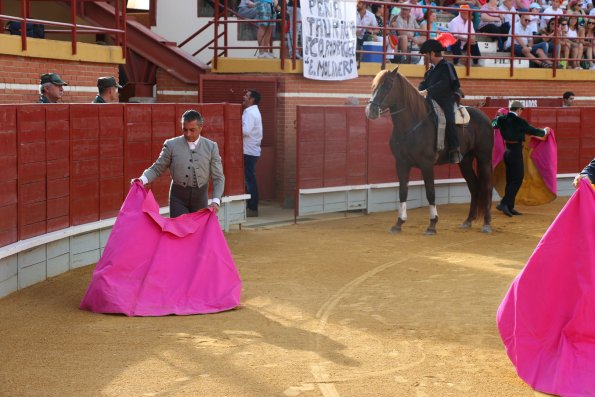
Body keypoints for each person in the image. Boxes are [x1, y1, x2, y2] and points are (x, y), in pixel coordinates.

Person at [135, 109, 224, 217]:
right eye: (185, 129)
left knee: (198, 232)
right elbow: (157, 168)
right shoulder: (171, 145)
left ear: (201, 128)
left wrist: (216, 201)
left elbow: (218, 177)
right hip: (178, 198)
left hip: (200, 198)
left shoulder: (211, 147)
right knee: (179, 231)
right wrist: (141, 180)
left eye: (192, 130)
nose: (188, 134)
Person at [492, 100, 551, 217]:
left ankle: (509, 206)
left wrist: (497, 118)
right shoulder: (520, 121)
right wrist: (545, 131)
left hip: (507, 152)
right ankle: (504, 203)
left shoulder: (502, 120)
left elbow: (493, 124)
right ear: (519, 110)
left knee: (510, 180)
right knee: (518, 179)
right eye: (521, 111)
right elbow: (535, 132)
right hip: (515, 153)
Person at [418, 39, 463, 164]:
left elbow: (444, 83)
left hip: (445, 100)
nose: (426, 57)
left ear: (432, 53)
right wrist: (418, 91)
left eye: (426, 54)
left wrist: (427, 91)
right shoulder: (431, 71)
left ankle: (455, 149)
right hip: (430, 100)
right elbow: (423, 84)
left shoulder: (447, 66)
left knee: (449, 120)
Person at [242, 89, 263, 217]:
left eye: (247, 96)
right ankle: (251, 206)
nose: (244, 97)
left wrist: (233, 125)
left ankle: (253, 207)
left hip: (248, 150)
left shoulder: (250, 113)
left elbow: (246, 131)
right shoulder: (253, 112)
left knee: (249, 179)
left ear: (252, 99)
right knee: (249, 179)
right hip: (251, 150)